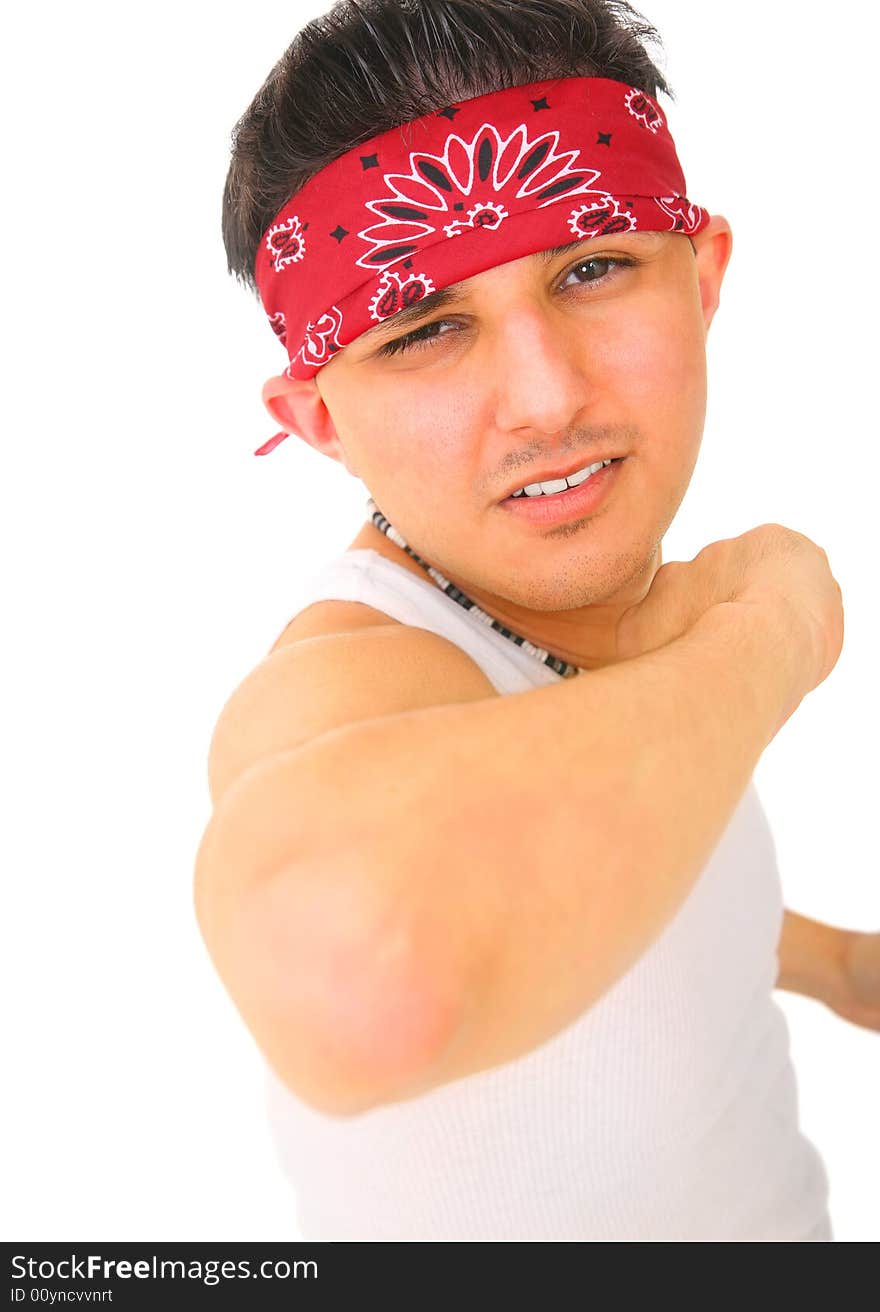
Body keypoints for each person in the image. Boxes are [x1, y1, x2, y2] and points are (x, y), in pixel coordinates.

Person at [194, 0, 878, 1241]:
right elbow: (366, 976)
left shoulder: (635, 647)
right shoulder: (351, 679)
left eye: (592, 268)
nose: (548, 397)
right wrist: (774, 636)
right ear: (320, 422)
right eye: (425, 330)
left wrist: (828, 961)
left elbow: (612, 845)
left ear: (704, 276)